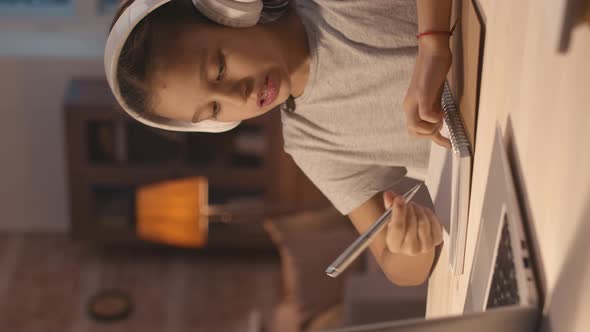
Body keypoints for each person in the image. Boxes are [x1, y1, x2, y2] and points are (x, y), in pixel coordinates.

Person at [106, 0, 454, 286]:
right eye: (213, 108)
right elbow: (395, 267)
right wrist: (410, 244)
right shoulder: (310, 143)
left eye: (219, 68)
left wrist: (434, 42)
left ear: (227, 11)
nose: (235, 95)